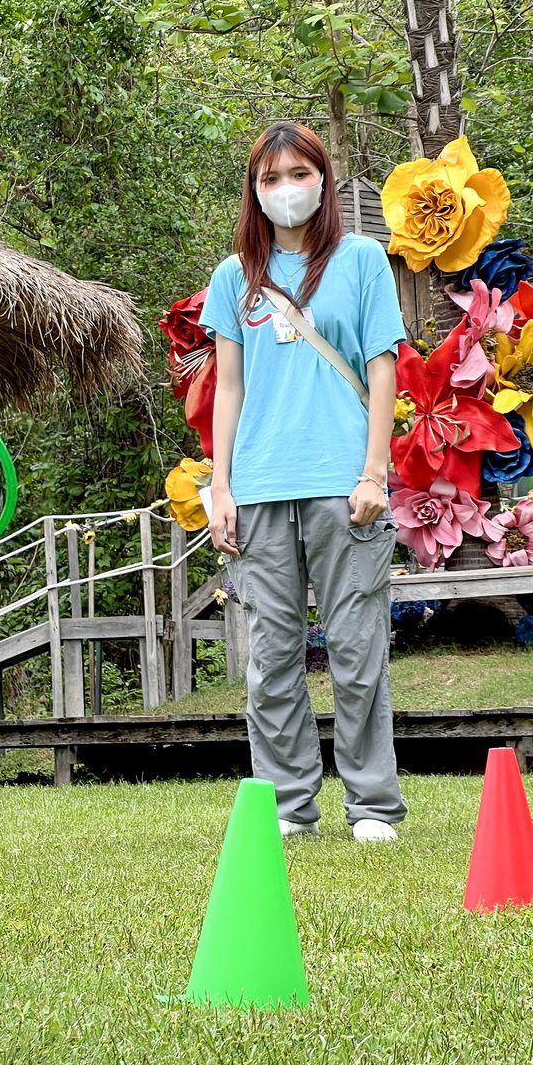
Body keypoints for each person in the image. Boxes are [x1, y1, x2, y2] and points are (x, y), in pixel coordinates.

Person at [201, 121, 407, 842]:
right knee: (272, 660)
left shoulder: (362, 261)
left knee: (357, 652)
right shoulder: (234, 277)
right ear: (254, 191)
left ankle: (371, 804)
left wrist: (374, 472)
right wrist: (220, 487)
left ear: (323, 181)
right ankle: (289, 806)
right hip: (259, 489)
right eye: (271, 178)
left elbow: (382, 368)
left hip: (345, 487)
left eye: (299, 174)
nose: (286, 189)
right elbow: (228, 387)